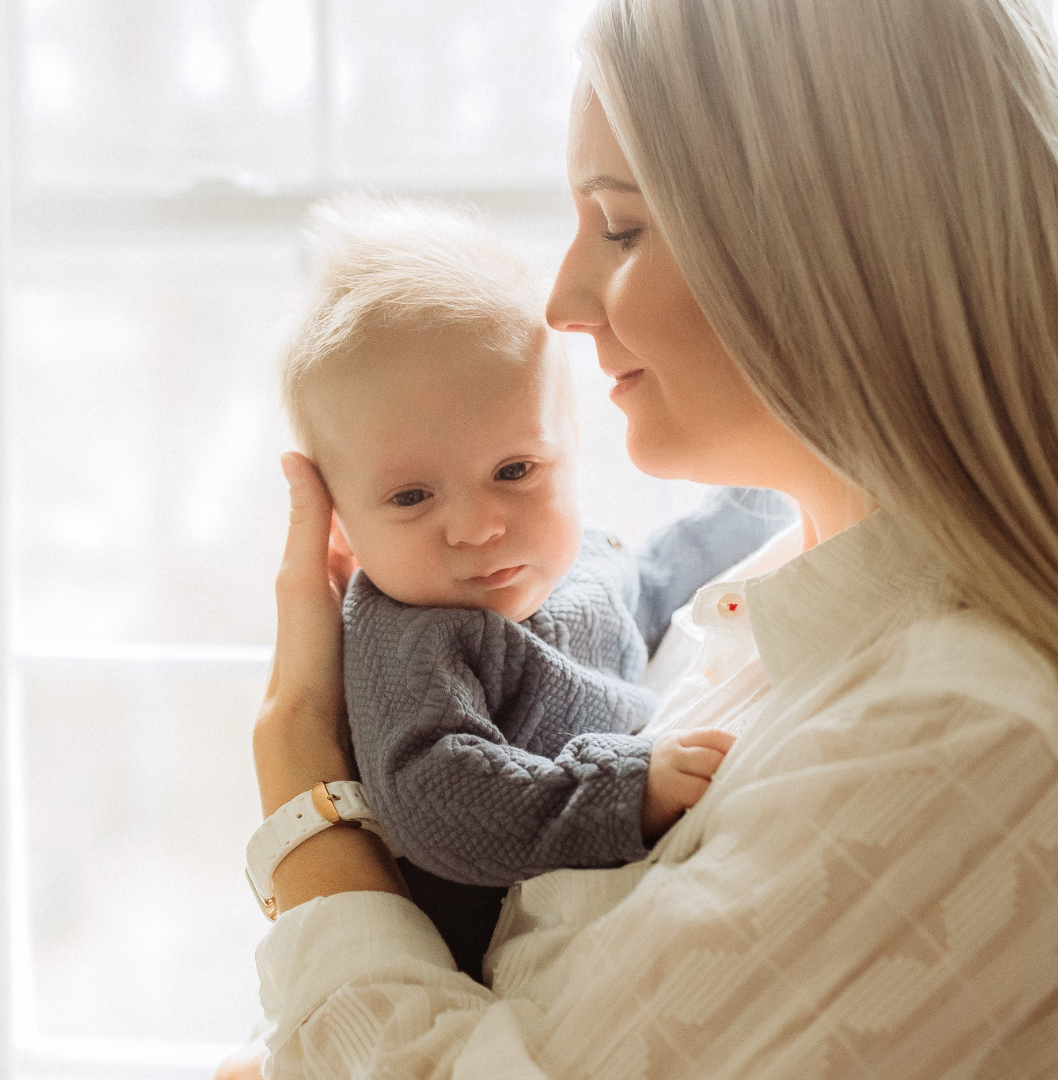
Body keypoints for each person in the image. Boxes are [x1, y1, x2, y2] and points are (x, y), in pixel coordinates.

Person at [237, 0, 1058, 1075]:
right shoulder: (751, 616)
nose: (564, 302)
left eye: (620, 226)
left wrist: (302, 781)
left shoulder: (958, 741)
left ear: (828, 249)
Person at [274, 199, 777, 977]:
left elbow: (651, 588)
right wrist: (625, 789)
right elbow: (438, 797)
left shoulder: (584, 564)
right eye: (411, 497)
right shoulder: (411, 635)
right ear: (341, 530)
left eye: (515, 471)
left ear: (571, 449)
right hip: (460, 978)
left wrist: (765, 492)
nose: (478, 527)